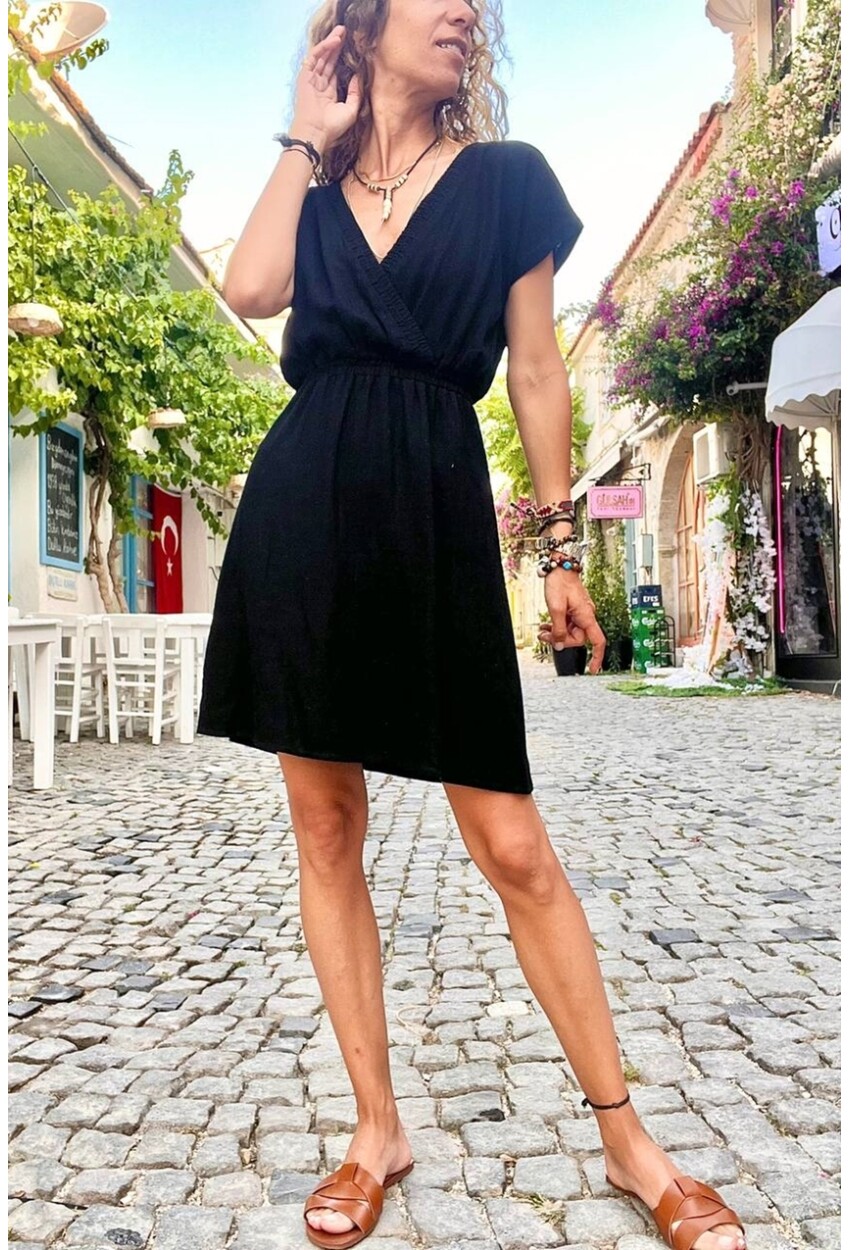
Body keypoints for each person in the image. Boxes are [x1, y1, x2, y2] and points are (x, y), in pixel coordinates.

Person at [197, 3, 746, 1249]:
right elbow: (250, 287)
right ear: (362, 23)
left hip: (438, 512)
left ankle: (628, 1140)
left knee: (510, 840)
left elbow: (538, 369)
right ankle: (374, 1128)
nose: (462, 12)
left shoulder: (507, 180)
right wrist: (307, 130)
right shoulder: (313, 189)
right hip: (306, 511)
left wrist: (558, 550)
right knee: (325, 825)